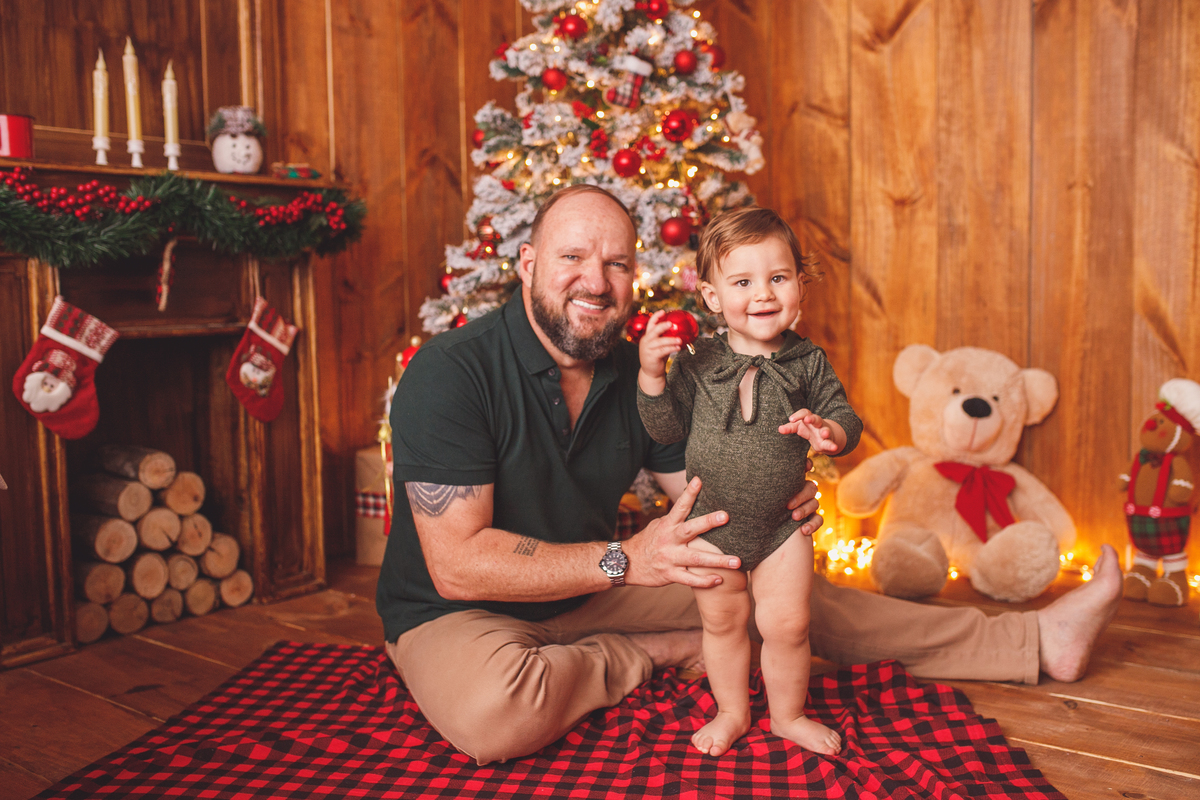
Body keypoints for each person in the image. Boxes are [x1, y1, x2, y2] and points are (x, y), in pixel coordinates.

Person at [377, 184, 1123, 766]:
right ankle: (656, 655)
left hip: (591, 591)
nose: (595, 282)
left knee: (781, 595)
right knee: (494, 712)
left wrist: (772, 496)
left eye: (616, 263)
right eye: (572, 259)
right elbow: (458, 564)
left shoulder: (640, 376)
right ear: (529, 266)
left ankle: (1032, 643)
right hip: (458, 612)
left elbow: (697, 491)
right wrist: (627, 562)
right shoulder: (452, 374)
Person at [636, 206, 859, 757]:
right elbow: (665, 428)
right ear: (712, 297)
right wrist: (650, 376)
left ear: (800, 287)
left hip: (783, 527)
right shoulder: (696, 361)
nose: (763, 294)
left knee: (788, 625)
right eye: (742, 282)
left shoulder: (808, 360)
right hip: (712, 526)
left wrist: (826, 431)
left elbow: (845, 419)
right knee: (724, 625)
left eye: (778, 278)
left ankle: (788, 715)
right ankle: (733, 711)